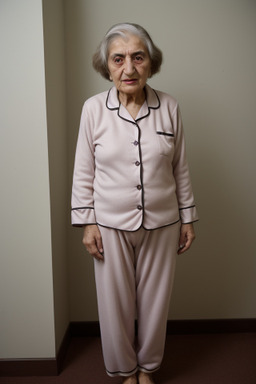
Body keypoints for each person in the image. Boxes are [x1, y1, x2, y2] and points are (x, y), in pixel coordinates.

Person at [71, 23, 198, 384]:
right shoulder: (93, 109)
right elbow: (84, 170)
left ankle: (147, 369)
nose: (129, 68)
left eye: (138, 57)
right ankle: (125, 371)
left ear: (150, 63)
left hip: (163, 222)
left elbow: (180, 167)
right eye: (119, 59)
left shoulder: (169, 106)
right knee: (115, 306)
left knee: (155, 304)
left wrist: (188, 218)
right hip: (109, 224)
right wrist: (88, 223)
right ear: (106, 66)